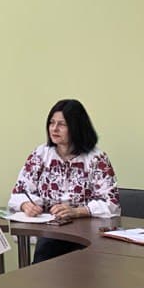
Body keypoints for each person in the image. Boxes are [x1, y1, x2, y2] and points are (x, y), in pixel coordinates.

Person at [7, 99, 119, 263]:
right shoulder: (40, 154)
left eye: (62, 124)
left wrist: (77, 211)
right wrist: (26, 205)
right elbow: (19, 192)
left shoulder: (96, 159)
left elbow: (111, 204)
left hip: (85, 233)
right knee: (46, 255)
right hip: (49, 232)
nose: (54, 128)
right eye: (51, 123)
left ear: (76, 127)